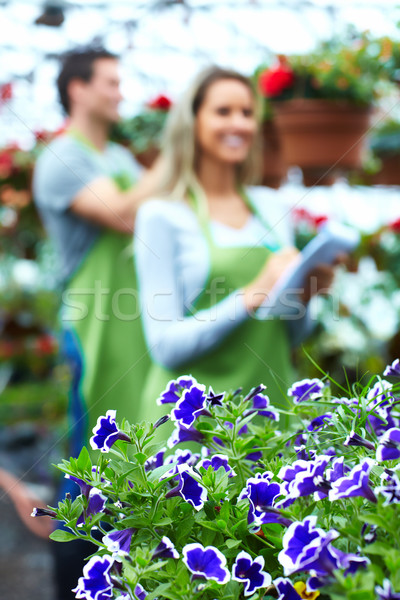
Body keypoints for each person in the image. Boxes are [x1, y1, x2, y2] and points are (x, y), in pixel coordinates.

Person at [134, 66, 336, 425]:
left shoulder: (271, 208)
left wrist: (303, 297)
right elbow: (165, 347)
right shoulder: (162, 215)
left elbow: (288, 336)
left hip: (267, 421)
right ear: (192, 122)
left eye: (247, 112)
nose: (240, 124)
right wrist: (250, 294)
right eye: (223, 112)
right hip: (193, 432)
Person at [33, 47, 161, 599]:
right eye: (110, 82)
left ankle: (127, 579)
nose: (119, 91)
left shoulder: (123, 160)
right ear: (77, 89)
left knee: (132, 453)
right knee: (89, 464)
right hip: (92, 323)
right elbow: (123, 213)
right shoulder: (64, 157)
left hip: (131, 323)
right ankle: (76, 586)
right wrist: (179, 160)